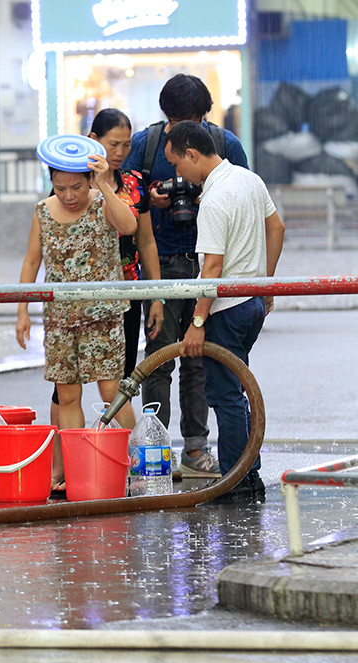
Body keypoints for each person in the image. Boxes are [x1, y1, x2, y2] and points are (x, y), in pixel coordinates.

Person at [120, 74, 250, 480]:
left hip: (210, 262)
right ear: (166, 118)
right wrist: (149, 200)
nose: (183, 131)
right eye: (176, 123)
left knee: (199, 360)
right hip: (161, 263)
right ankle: (155, 450)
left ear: (204, 117)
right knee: (158, 360)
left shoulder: (224, 144)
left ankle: (195, 449)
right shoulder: (146, 144)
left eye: (192, 122)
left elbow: (246, 195)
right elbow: (124, 196)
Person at [167, 121, 284, 502]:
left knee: (225, 395)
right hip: (251, 302)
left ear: (192, 154)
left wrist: (197, 321)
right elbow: (277, 228)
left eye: (177, 164)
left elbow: (212, 268)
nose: (178, 174)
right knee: (238, 387)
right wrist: (265, 283)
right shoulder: (249, 179)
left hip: (227, 309)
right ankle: (249, 472)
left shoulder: (215, 200)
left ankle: (236, 481)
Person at [47, 110, 165, 479]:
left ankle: (132, 464)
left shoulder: (133, 184)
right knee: (64, 392)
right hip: (73, 303)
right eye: (113, 144)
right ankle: (63, 468)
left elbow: (144, 239)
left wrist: (156, 294)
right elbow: (48, 242)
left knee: (117, 383)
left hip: (123, 294)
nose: (120, 152)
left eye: (127, 145)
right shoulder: (71, 184)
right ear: (93, 140)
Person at [16, 142, 139, 491]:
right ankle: (76, 471)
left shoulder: (104, 203)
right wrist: (22, 310)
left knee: (112, 390)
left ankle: (135, 463)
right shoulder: (42, 211)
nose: (69, 196)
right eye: (60, 188)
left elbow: (129, 226)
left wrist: (104, 185)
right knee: (67, 396)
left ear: (89, 181)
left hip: (104, 314)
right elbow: (32, 261)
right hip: (60, 318)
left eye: (77, 187)